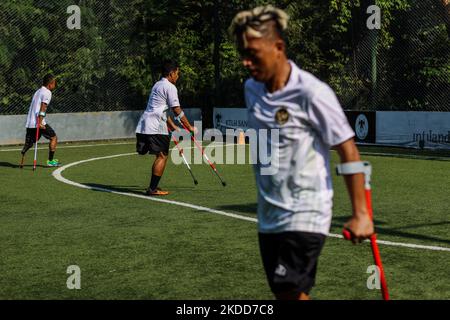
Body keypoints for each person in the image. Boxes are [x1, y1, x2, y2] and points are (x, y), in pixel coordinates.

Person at [229, 5, 374, 300]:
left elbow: (347, 148)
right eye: (242, 54)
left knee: (288, 290)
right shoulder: (251, 89)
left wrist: (361, 214)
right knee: (289, 294)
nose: (246, 62)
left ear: (278, 47)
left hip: (307, 210)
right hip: (269, 214)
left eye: (253, 54)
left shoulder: (311, 92)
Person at [135, 60, 195, 196]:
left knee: (155, 154)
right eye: (177, 73)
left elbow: (161, 110)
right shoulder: (170, 87)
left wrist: (173, 126)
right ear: (171, 73)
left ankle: (153, 187)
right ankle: (152, 189)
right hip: (156, 126)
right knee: (162, 156)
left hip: (144, 124)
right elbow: (176, 110)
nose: (178, 76)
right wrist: (189, 126)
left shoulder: (157, 85)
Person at [20, 74, 60, 168]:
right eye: (54, 83)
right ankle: (50, 161)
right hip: (38, 121)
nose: (55, 85)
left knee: (30, 143)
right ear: (50, 84)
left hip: (30, 122)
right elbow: (43, 107)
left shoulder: (38, 91)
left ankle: (23, 155)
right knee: (53, 137)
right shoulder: (47, 92)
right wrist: (40, 122)